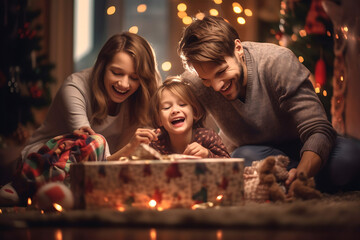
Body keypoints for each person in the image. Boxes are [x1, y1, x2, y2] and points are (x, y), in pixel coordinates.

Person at [178, 16, 360, 193]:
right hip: (255, 154)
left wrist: (303, 173)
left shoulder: (277, 61)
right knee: (242, 158)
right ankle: (305, 182)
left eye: (222, 72)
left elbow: (318, 129)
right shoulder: (195, 82)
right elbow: (168, 106)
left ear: (238, 48)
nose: (216, 86)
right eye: (206, 80)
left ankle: (281, 182)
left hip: (304, 145)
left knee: (349, 159)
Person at [0, 32, 161, 205]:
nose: (124, 84)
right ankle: (20, 185)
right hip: (42, 162)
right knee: (95, 142)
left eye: (134, 77)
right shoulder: (75, 87)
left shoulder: (140, 97)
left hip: (89, 172)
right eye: (116, 73)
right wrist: (130, 147)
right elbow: (90, 152)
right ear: (102, 66)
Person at [148, 76, 230, 158]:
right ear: (159, 119)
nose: (175, 110)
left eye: (182, 104)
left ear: (195, 112)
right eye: (167, 107)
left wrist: (207, 154)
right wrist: (140, 149)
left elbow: (230, 166)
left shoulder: (208, 137)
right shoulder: (155, 143)